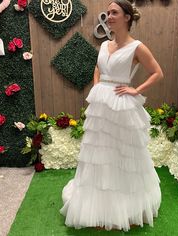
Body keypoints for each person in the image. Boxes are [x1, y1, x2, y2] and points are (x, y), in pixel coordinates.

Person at [60, 0, 163, 231]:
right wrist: (98, 86)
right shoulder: (105, 45)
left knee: (121, 152)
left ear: (127, 17)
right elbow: (98, 67)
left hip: (121, 104)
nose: (109, 16)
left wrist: (135, 89)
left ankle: (124, 206)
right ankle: (98, 205)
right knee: (99, 152)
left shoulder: (137, 47)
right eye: (107, 13)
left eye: (114, 12)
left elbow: (157, 73)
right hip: (101, 104)